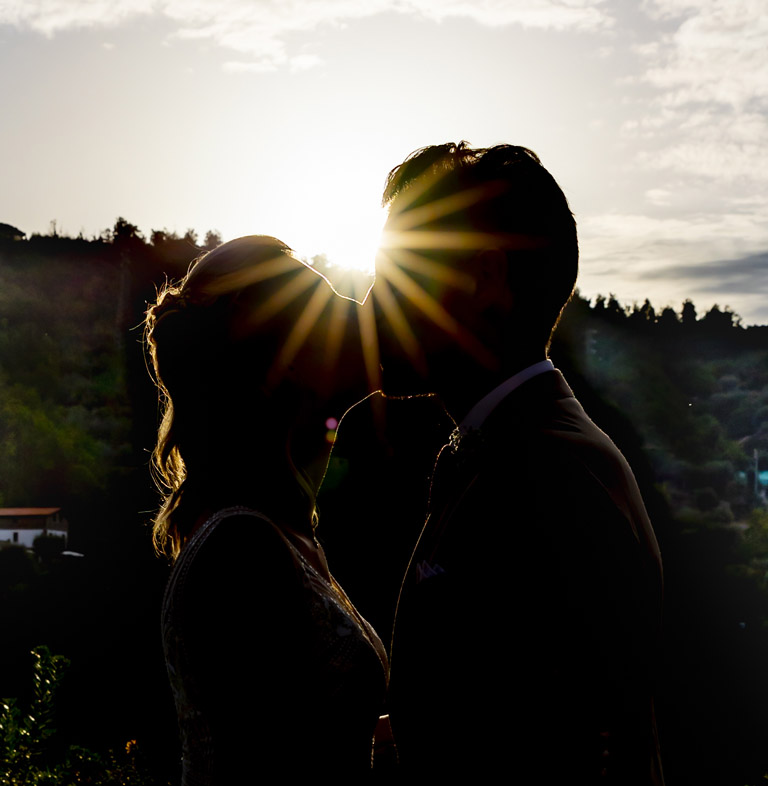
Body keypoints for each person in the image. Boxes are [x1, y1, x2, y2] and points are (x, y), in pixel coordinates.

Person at [373, 143, 664, 783]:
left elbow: (580, 748)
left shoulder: (555, 475)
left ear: (484, 281)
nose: (370, 302)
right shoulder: (513, 449)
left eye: (395, 274)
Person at [146, 236, 388, 783]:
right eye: (334, 311)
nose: (361, 317)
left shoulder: (279, 534)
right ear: (289, 362)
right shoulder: (242, 549)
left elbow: (306, 728)